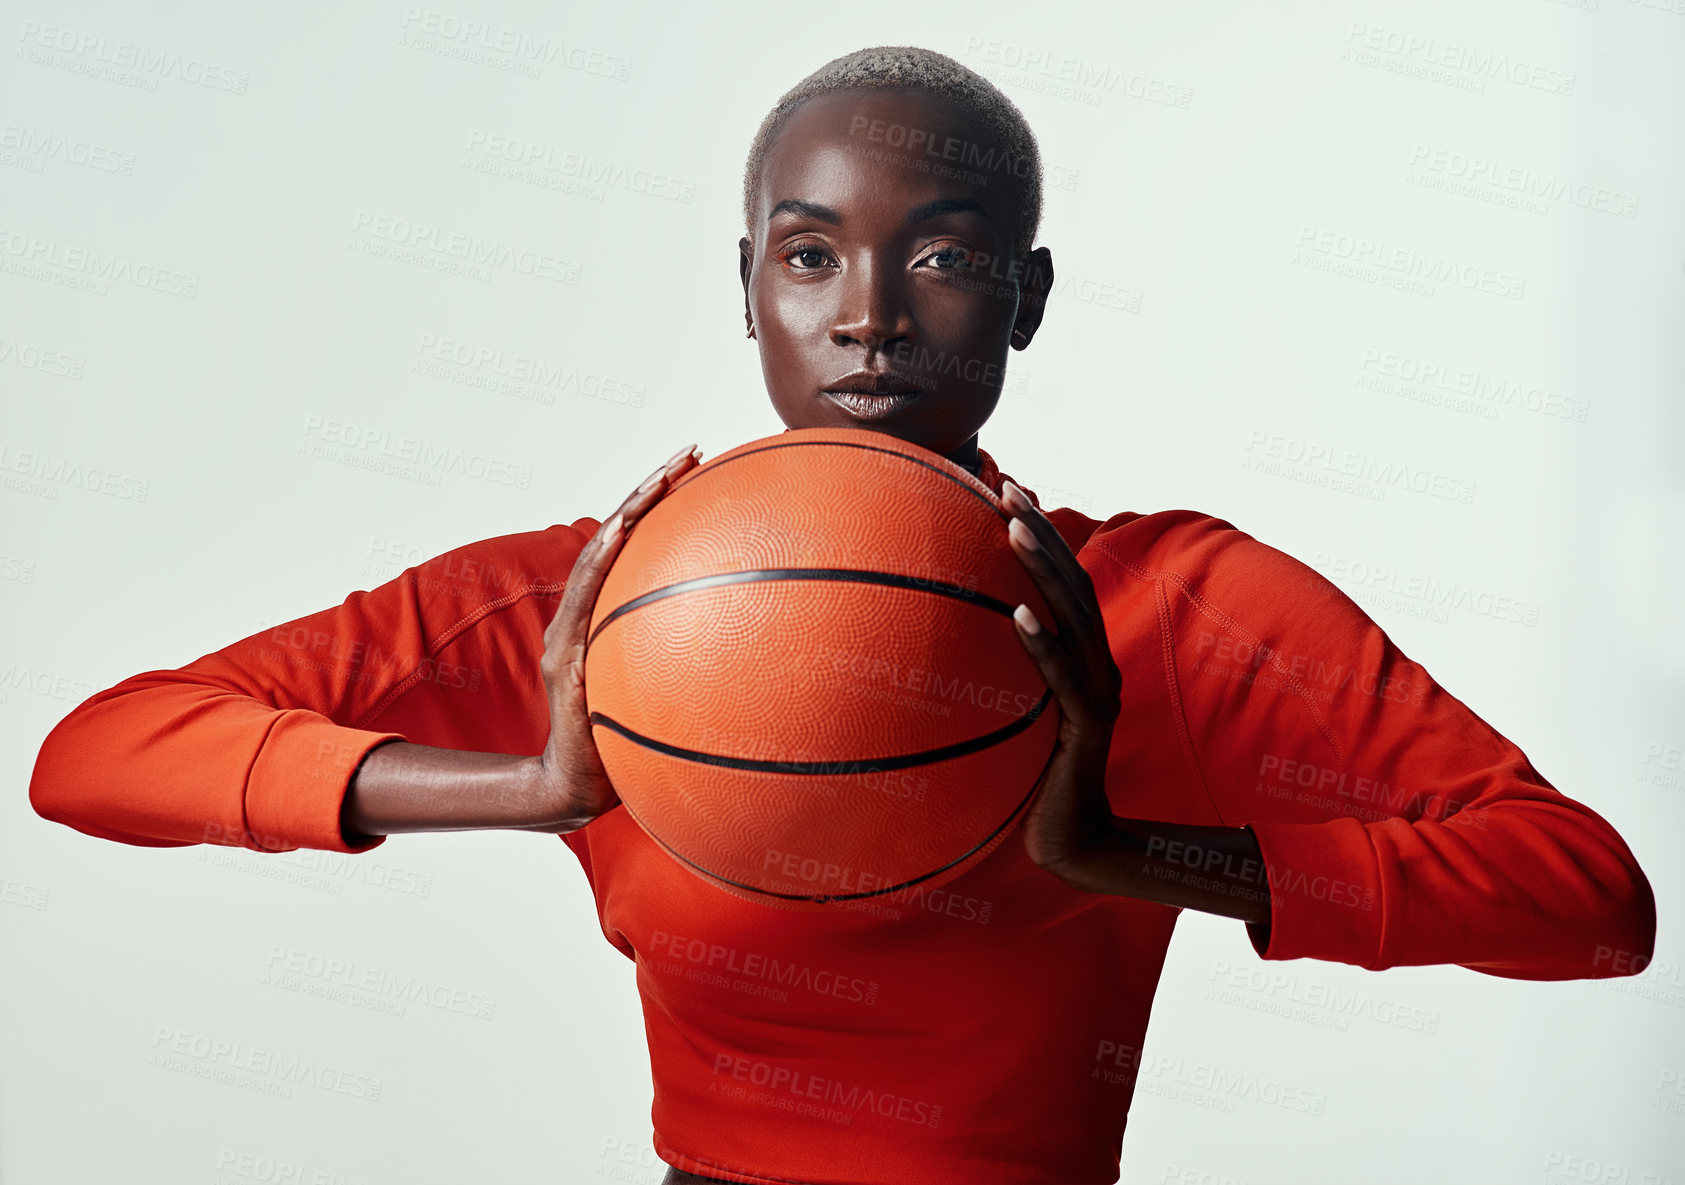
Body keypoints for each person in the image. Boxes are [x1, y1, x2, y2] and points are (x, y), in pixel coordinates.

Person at [28, 45, 1656, 1185]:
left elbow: (1590, 903)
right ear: (746, 283)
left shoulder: (1169, 603)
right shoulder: (605, 605)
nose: (869, 314)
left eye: (941, 256)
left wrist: (1136, 852)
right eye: (811, 256)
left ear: (1023, 294)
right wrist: (531, 786)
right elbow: (95, 754)